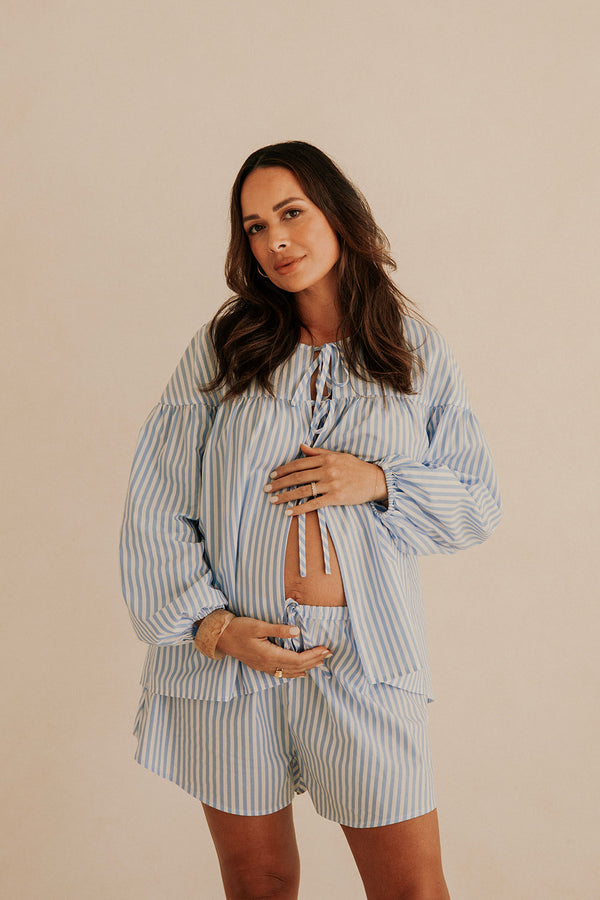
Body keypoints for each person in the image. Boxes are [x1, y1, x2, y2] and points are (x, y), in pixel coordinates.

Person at [119, 140, 502, 899]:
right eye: (255, 227)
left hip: (368, 661)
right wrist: (217, 628)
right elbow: (153, 506)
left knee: (412, 887)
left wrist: (379, 481)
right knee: (258, 880)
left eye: (290, 213)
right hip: (229, 660)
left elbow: (476, 505)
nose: (275, 241)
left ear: (339, 214)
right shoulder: (222, 351)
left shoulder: (415, 353)